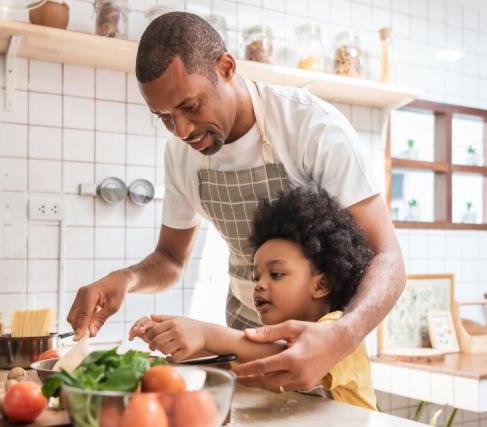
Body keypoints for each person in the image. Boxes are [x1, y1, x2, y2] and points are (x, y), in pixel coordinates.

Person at [67, 11, 405, 392]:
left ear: (226, 67)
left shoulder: (311, 128)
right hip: (242, 344)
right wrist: (126, 280)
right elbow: (170, 259)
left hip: (323, 346)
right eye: (163, 117)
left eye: (190, 106)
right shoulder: (180, 156)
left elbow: (388, 256)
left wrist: (343, 334)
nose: (181, 130)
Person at [130, 189, 377, 409]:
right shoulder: (267, 338)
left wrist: (205, 333)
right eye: (256, 276)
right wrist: (173, 335)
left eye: (276, 274)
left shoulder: (339, 330)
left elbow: (282, 355)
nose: (259, 285)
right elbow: (232, 358)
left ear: (321, 284)